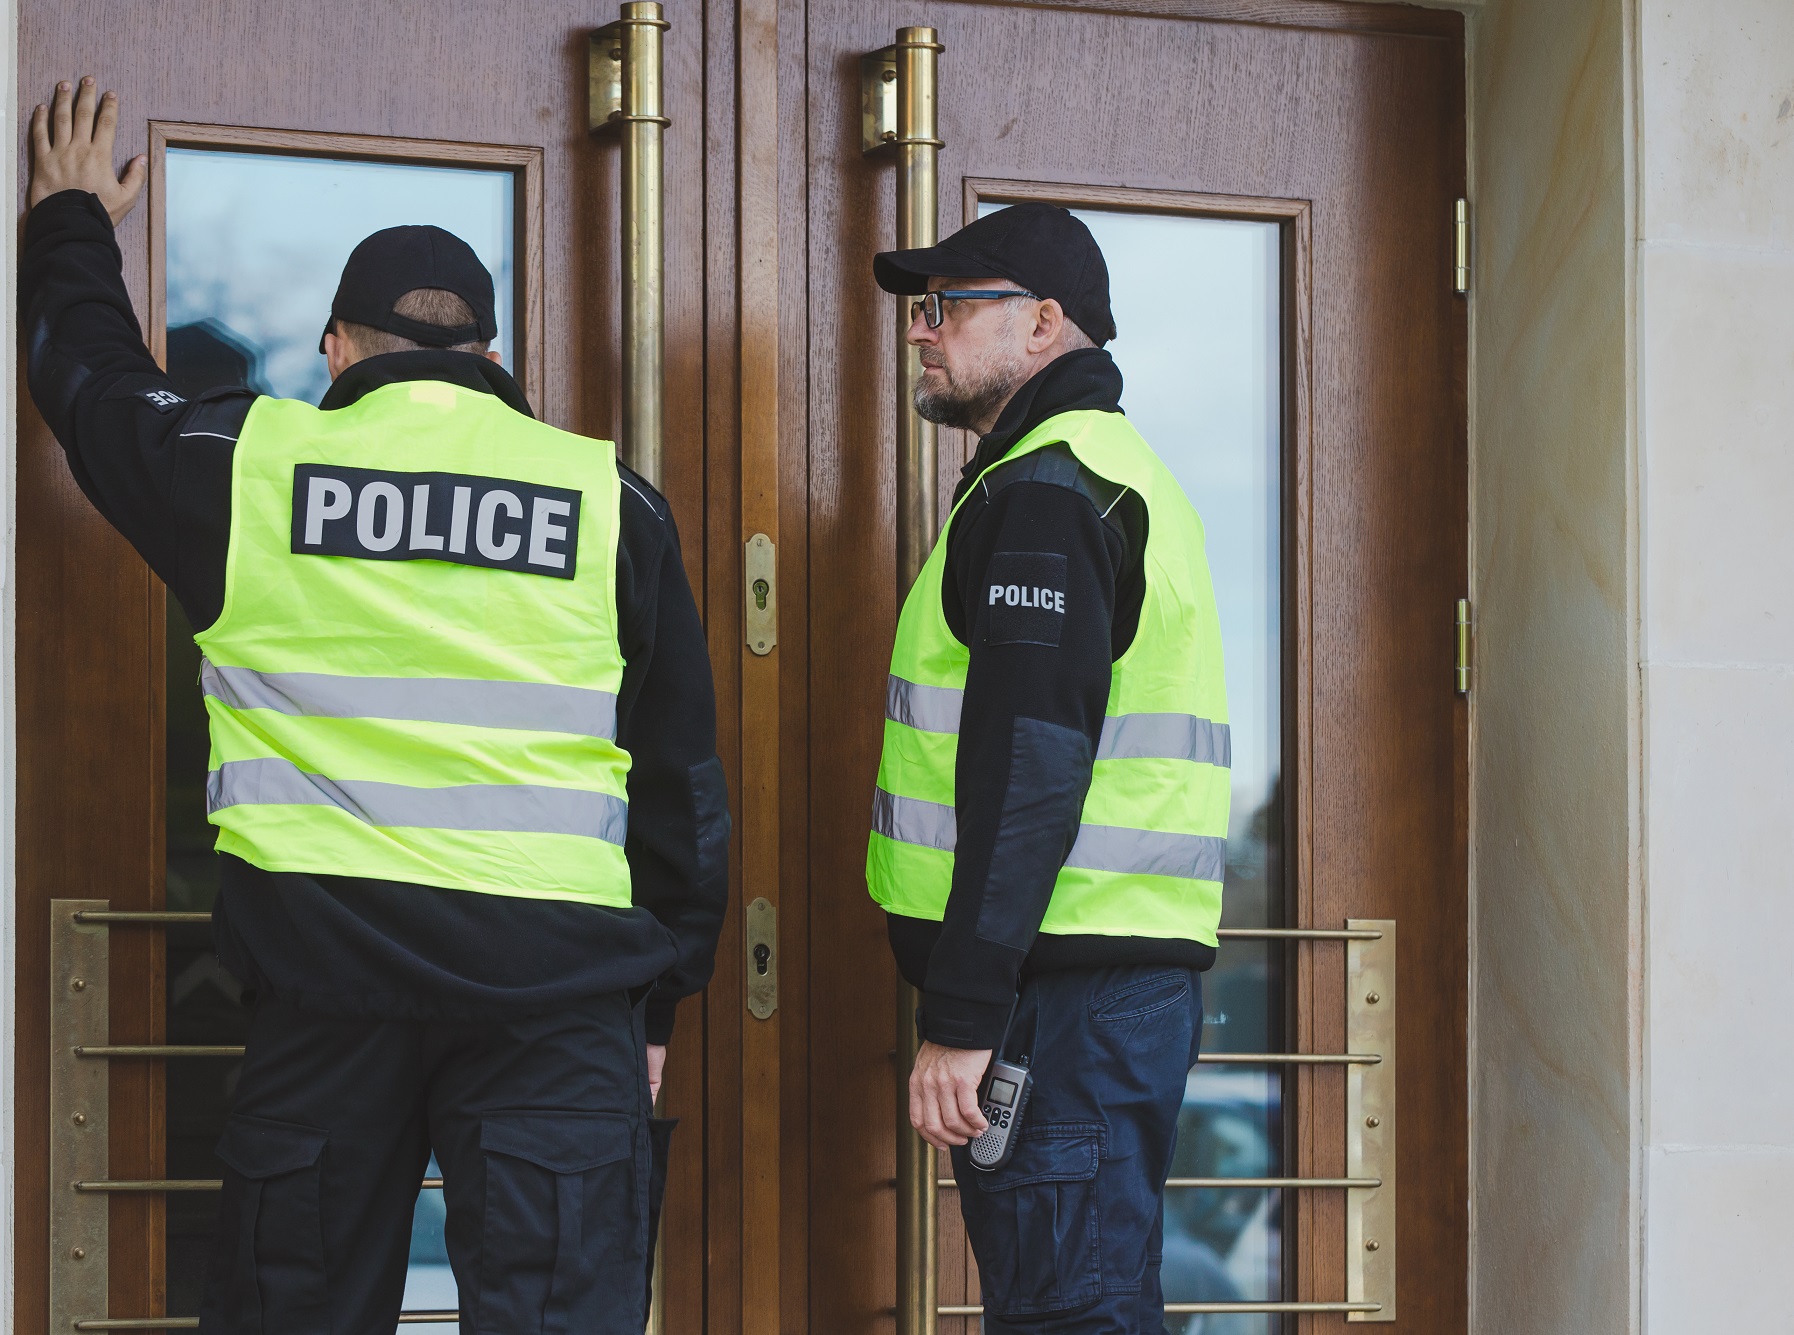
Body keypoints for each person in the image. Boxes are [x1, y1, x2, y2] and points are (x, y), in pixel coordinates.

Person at [22, 78, 729, 1334]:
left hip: (327, 993)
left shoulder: (247, 466)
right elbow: (681, 780)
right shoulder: (612, 501)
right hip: (560, 1006)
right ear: (493, 358)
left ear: (338, 347)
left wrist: (73, 219)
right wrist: (658, 1005)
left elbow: (87, 386)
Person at [866, 202, 1230, 1333]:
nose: (921, 333)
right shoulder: (1098, 474)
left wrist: (963, 1013)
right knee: (1081, 1304)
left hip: (1058, 1001)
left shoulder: (1048, 492)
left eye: (946, 308)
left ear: (1043, 324)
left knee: (1070, 1312)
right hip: (1090, 993)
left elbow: (1032, 769)